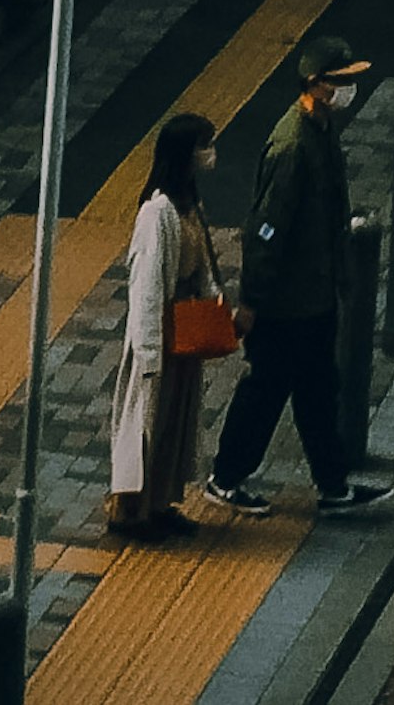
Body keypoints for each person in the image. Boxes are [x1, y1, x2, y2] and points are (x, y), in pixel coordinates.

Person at [208, 47, 387, 518]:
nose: (348, 89)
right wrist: (252, 300)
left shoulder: (321, 130)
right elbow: (266, 228)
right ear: (315, 83)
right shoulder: (291, 146)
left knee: (318, 389)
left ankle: (333, 485)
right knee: (266, 389)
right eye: (341, 80)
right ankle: (226, 476)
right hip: (284, 302)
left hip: (314, 297)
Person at [108, 114, 222, 539]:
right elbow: (148, 285)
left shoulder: (189, 205)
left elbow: (205, 265)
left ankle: (160, 503)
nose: (210, 153)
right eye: (204, 145)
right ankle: (129, 512)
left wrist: (214, 305)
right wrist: (150, 351)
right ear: (184, 153)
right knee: (147, 422)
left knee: (176, 421)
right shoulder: (158, 213)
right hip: (161, 333)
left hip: (185, 329)